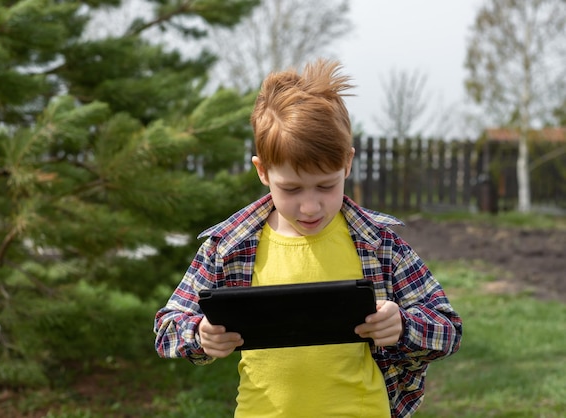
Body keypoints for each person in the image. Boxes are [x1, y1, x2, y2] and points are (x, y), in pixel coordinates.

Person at [154, 59, 462, 418]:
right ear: (263, 171)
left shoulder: (379, 245)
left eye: (326, 186)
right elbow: (167, 328)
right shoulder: (230, 247)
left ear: (347, 164)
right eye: (292, 188)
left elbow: (448, 328)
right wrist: (200, 334)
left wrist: (403, 326)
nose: (311, 206)